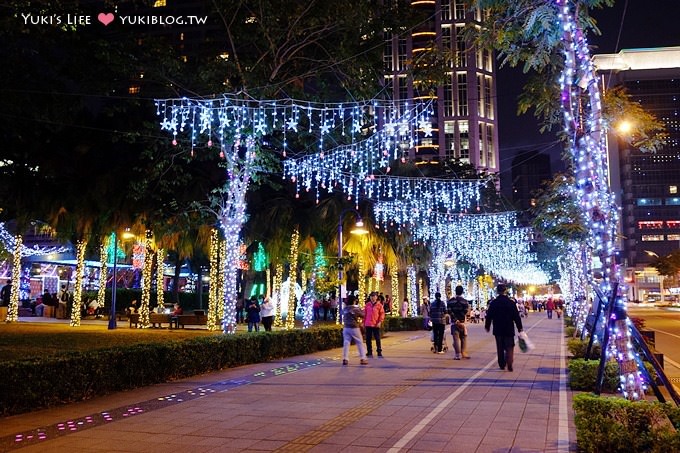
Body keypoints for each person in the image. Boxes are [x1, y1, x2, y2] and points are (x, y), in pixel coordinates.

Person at [485, 284, 524, 372]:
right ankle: (509, 361)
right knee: (509, 345)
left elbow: (489, 315)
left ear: (497, 291)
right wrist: (519, 327)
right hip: (508, 328)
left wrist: (487, 326)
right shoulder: (511, 303)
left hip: (498, 328)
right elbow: (516, 316)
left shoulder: (494, 303)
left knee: (500, 346)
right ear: (505, 290)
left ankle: (502, 363)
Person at [342, 295, 368, 366]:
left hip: (346, 328)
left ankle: (345, 359)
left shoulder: (345, 309)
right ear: (354, 301)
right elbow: (363, 315)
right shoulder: (355, 309)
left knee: (346, 343)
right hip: (354, 327)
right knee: (359, 342)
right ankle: (363, 358)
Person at [447, 285, 470, 360]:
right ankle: (463, 352)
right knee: (463, 337)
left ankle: (457, 354)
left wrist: (456, 320)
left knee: (455, 338)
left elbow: (449, 311)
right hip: (462, 322)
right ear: (462, 292)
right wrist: (460, 320)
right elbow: (466, 311)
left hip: (454, 323)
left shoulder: (450, 301)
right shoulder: (464, 301)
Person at [363, 291, 385, 358]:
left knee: (377, 338)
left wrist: (379, 322)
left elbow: (382, 314)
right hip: (368, 324)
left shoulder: (379, 305)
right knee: (368, 339)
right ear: (370, 297)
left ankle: (379, 351)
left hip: (376, 324)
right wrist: (363, 323)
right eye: (371, 296)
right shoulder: (367, 305)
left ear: (376, 297)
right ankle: (369, 352)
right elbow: (364, 314)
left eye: (374, 296)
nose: (373, 298)